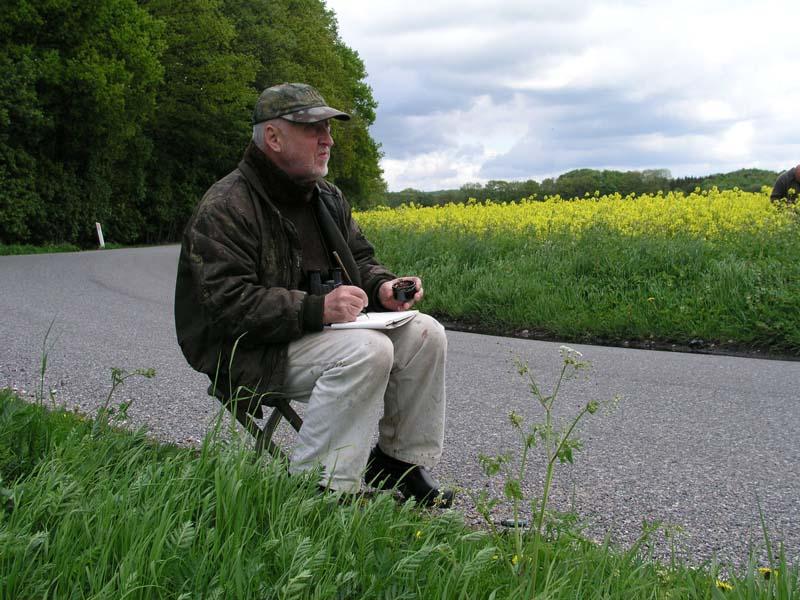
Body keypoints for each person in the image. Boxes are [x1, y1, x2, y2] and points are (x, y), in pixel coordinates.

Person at [174, 83, 452, 507]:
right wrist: (315, 308)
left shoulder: (326, 197)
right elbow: (225, 304)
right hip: (245, 350)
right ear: (273, 138)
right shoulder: (227, 205)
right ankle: (320, 491)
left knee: (426, 333)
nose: (328, 139)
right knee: (369, 350)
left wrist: (382, 287)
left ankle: (398, 464)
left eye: (328, 128)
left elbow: (360, 259)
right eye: (313, 129)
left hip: (315, 336)